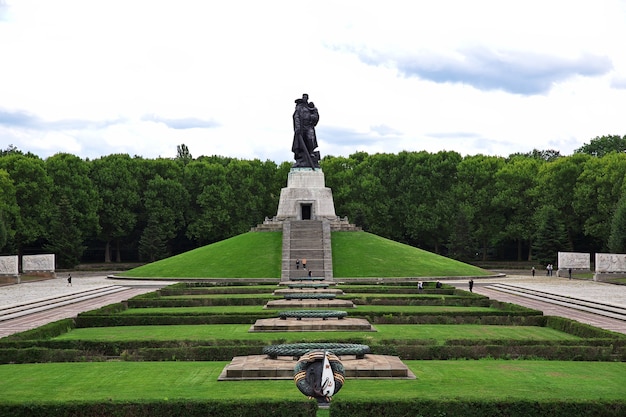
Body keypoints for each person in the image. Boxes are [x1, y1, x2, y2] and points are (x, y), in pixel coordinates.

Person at [291, 94, 320, 168]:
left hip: (309, 126)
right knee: (300, 144)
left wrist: (312, 117)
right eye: (303, 97)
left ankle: (310, 153)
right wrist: (297, 127)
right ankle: (301, 157)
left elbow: (316, 116)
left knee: (311, 139)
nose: (304, 99)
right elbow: (296, 116)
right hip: (301, 128)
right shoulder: (299, 107)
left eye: (306, 97)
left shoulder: (311, 107)